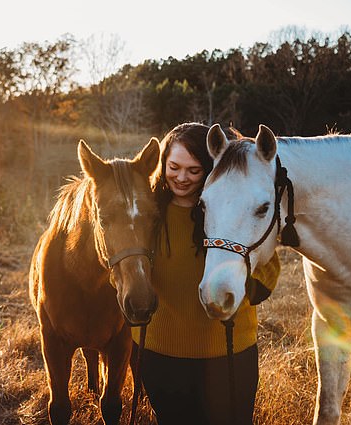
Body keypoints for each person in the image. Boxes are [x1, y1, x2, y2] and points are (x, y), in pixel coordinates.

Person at [131, 122, 280, 425]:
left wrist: (240, 291)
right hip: (161, 352)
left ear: (210, 168)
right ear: (163, 164)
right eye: (174, 167)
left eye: (194, 170)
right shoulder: (146, 213)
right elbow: (119, 264)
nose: (182, 178)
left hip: (227, 352)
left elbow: (268, 269)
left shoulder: (232, 207)